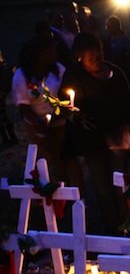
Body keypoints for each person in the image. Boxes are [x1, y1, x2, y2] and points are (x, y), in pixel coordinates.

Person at [60, 32, 130, 235]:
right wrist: (67, 110)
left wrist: (125, 129)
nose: (98, 61)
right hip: (91, 142)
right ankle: (111, 227)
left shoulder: (116, 74)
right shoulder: (74, 75)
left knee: (121, 185)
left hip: (117, 140)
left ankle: (128, 225)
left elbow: (128, 107)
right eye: (91, 59)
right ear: (80, 57)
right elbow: (64, 105)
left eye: (99, 55)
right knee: (101, 187)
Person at [11, 36, 79, 184]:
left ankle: (79, 195)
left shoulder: (58, 69)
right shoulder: (21, 76)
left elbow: (67, 90)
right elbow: (24, 106)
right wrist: (41, 126)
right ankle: (60, 193)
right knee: (51, 159)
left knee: (68, 156)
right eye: (51, 50)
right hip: (36, 124)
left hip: (60, 121)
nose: (55, 53)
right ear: (40, 54)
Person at [104, 15, 130, 84]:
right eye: (107, 27)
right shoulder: (107, 40)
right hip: (112, 74)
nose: (107, 29)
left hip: (124, 72)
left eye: (109, 27)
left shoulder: (124, 40)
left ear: (116, 27)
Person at [0, 47, 17, 148]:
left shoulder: (3, 67)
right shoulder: (5, 66)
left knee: (3, 117)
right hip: (4, 94)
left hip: (2, 94)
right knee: (3, 117)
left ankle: (10, 138)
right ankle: (8, 137)